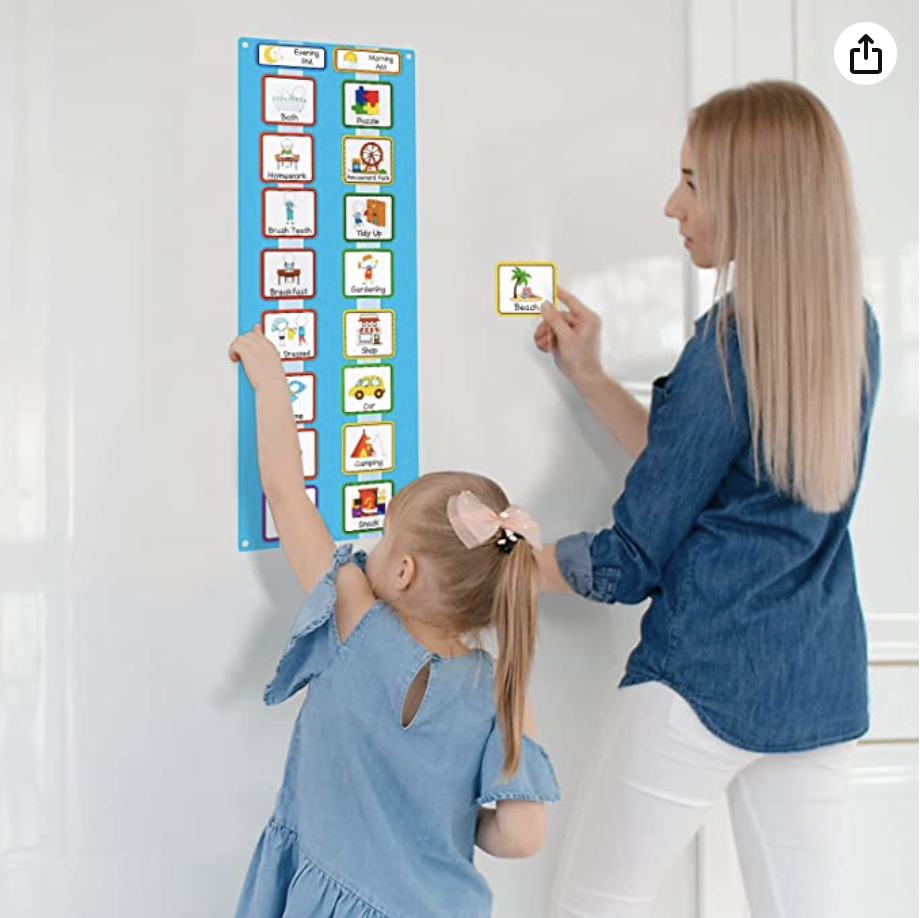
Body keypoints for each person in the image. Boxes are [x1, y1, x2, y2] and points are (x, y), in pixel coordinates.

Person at [534, 81, 881, 918]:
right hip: (817, 683)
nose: (671, 205)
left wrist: (497, 562)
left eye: (692, 181)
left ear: (749, 197)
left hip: (700, 683)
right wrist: (590, 377)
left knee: (588, 907)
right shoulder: (848, 328)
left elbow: (628, 559)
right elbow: (701, 467)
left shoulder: (727, 343)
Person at [228, 327, 560, 918]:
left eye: (381, 539)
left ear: (403, 572)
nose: (368, 548)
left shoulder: (357, 619)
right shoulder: (501, 689)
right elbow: (525, 834)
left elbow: (286, 495)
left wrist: (273, 384)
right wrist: (455, 815)